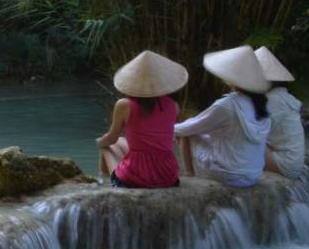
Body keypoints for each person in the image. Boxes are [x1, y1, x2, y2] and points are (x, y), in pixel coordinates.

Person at [174, 45, 272, 187]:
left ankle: (190, 174)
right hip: (253, 174)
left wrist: (164, 128)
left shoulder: (227, 105)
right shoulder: (261, 105)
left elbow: (189, 128)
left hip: (230, 174)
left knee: (186, 132)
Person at [96, 50, 188, 188]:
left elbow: (111, 139)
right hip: (168, 175)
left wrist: (99, 141)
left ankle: (104, 186)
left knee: (105, 146)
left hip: (134, 178)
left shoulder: (124, 105)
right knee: (122, 142)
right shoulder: (173, 106)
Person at [256, 46, 305, 178]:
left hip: (286, 165)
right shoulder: (282, 97)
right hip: (292, 163)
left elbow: (251, 130)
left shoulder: (273, 100)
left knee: (245, 140)